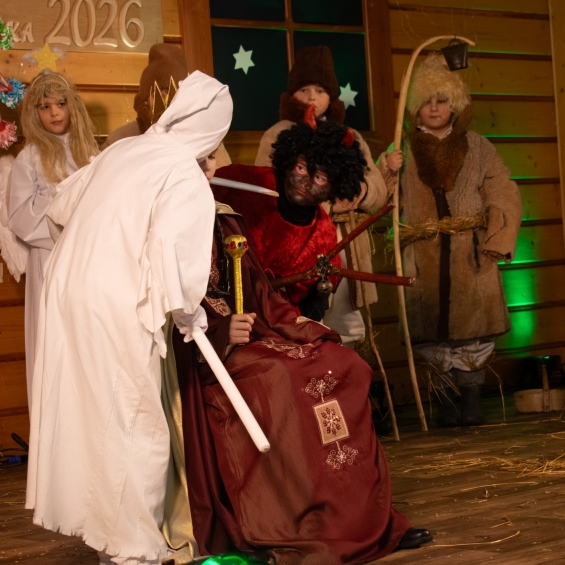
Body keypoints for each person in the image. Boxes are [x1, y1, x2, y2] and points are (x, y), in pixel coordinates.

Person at [170, 151, 431, 564]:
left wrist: (300, 325)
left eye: (209, 159)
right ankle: (302, 523)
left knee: (339, 363)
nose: (206, 169)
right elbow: (162, 313)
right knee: (280, 378)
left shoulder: (224, 220)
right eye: (197, 160)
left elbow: (260, 293)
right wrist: (220, 332)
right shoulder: (159, 226)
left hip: (255, 335)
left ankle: (362, 520)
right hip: (205, 355)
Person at [25, 72, 232, 565]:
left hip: (69, 290)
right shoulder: (182, 173)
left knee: (91, 417)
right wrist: (189, 314)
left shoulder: (125, 150)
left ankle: (107, 539)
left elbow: (60, 206)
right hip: (115, 300)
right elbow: (172, 254)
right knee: (135, 424)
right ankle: (134, 551)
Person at [387, 54, 521, 427]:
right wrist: (387, 171)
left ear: (455, 105)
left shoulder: (477, 146)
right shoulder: (402, 149)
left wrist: (498, 238)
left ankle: (472, 399)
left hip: (470, 253)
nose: (434, 108)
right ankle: (444, 401)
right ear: (415, 107)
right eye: (427, 101)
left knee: (472, 330)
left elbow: (503, 190)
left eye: (442, 100)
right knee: (431, 334)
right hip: (423, 255)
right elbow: (380, 198)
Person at [254, 46, 402, 345]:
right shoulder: (278, 134)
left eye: (320, 91)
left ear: (330, 97)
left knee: (347, 323)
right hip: (301, 242)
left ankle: (346, 371)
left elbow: (376, 187)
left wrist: (359, 192)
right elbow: (268, 187)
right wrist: (327, 203)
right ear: (292, 95)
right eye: (304, 90)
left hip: (346, 243)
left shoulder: (349, 136)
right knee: (307, 318)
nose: (312, 97)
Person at [0, 71, 99, 407]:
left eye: (61, 103)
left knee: (88, 340)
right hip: (51, 258)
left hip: (88, 258)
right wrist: (58, 209)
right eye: (45, 106)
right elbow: (18, 216)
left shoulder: (90, 151)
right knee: (55, 341)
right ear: (34, 112)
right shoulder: (30, 157)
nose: (55, 112)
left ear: (73, 106)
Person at [212, 119, 366, 321]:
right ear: (289, 162)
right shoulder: (240, 181)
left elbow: (314, 306)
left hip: (274, 322)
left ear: (335, 187)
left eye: (319, 178)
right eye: (301, 168)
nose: (306, 183)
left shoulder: (323, 236)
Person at [101, 43, 232, 167]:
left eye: (176, 95)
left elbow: (222, 177)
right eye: (162, 94)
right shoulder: (119, 141)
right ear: (146, 98)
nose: (170, 104)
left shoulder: (205, 139)